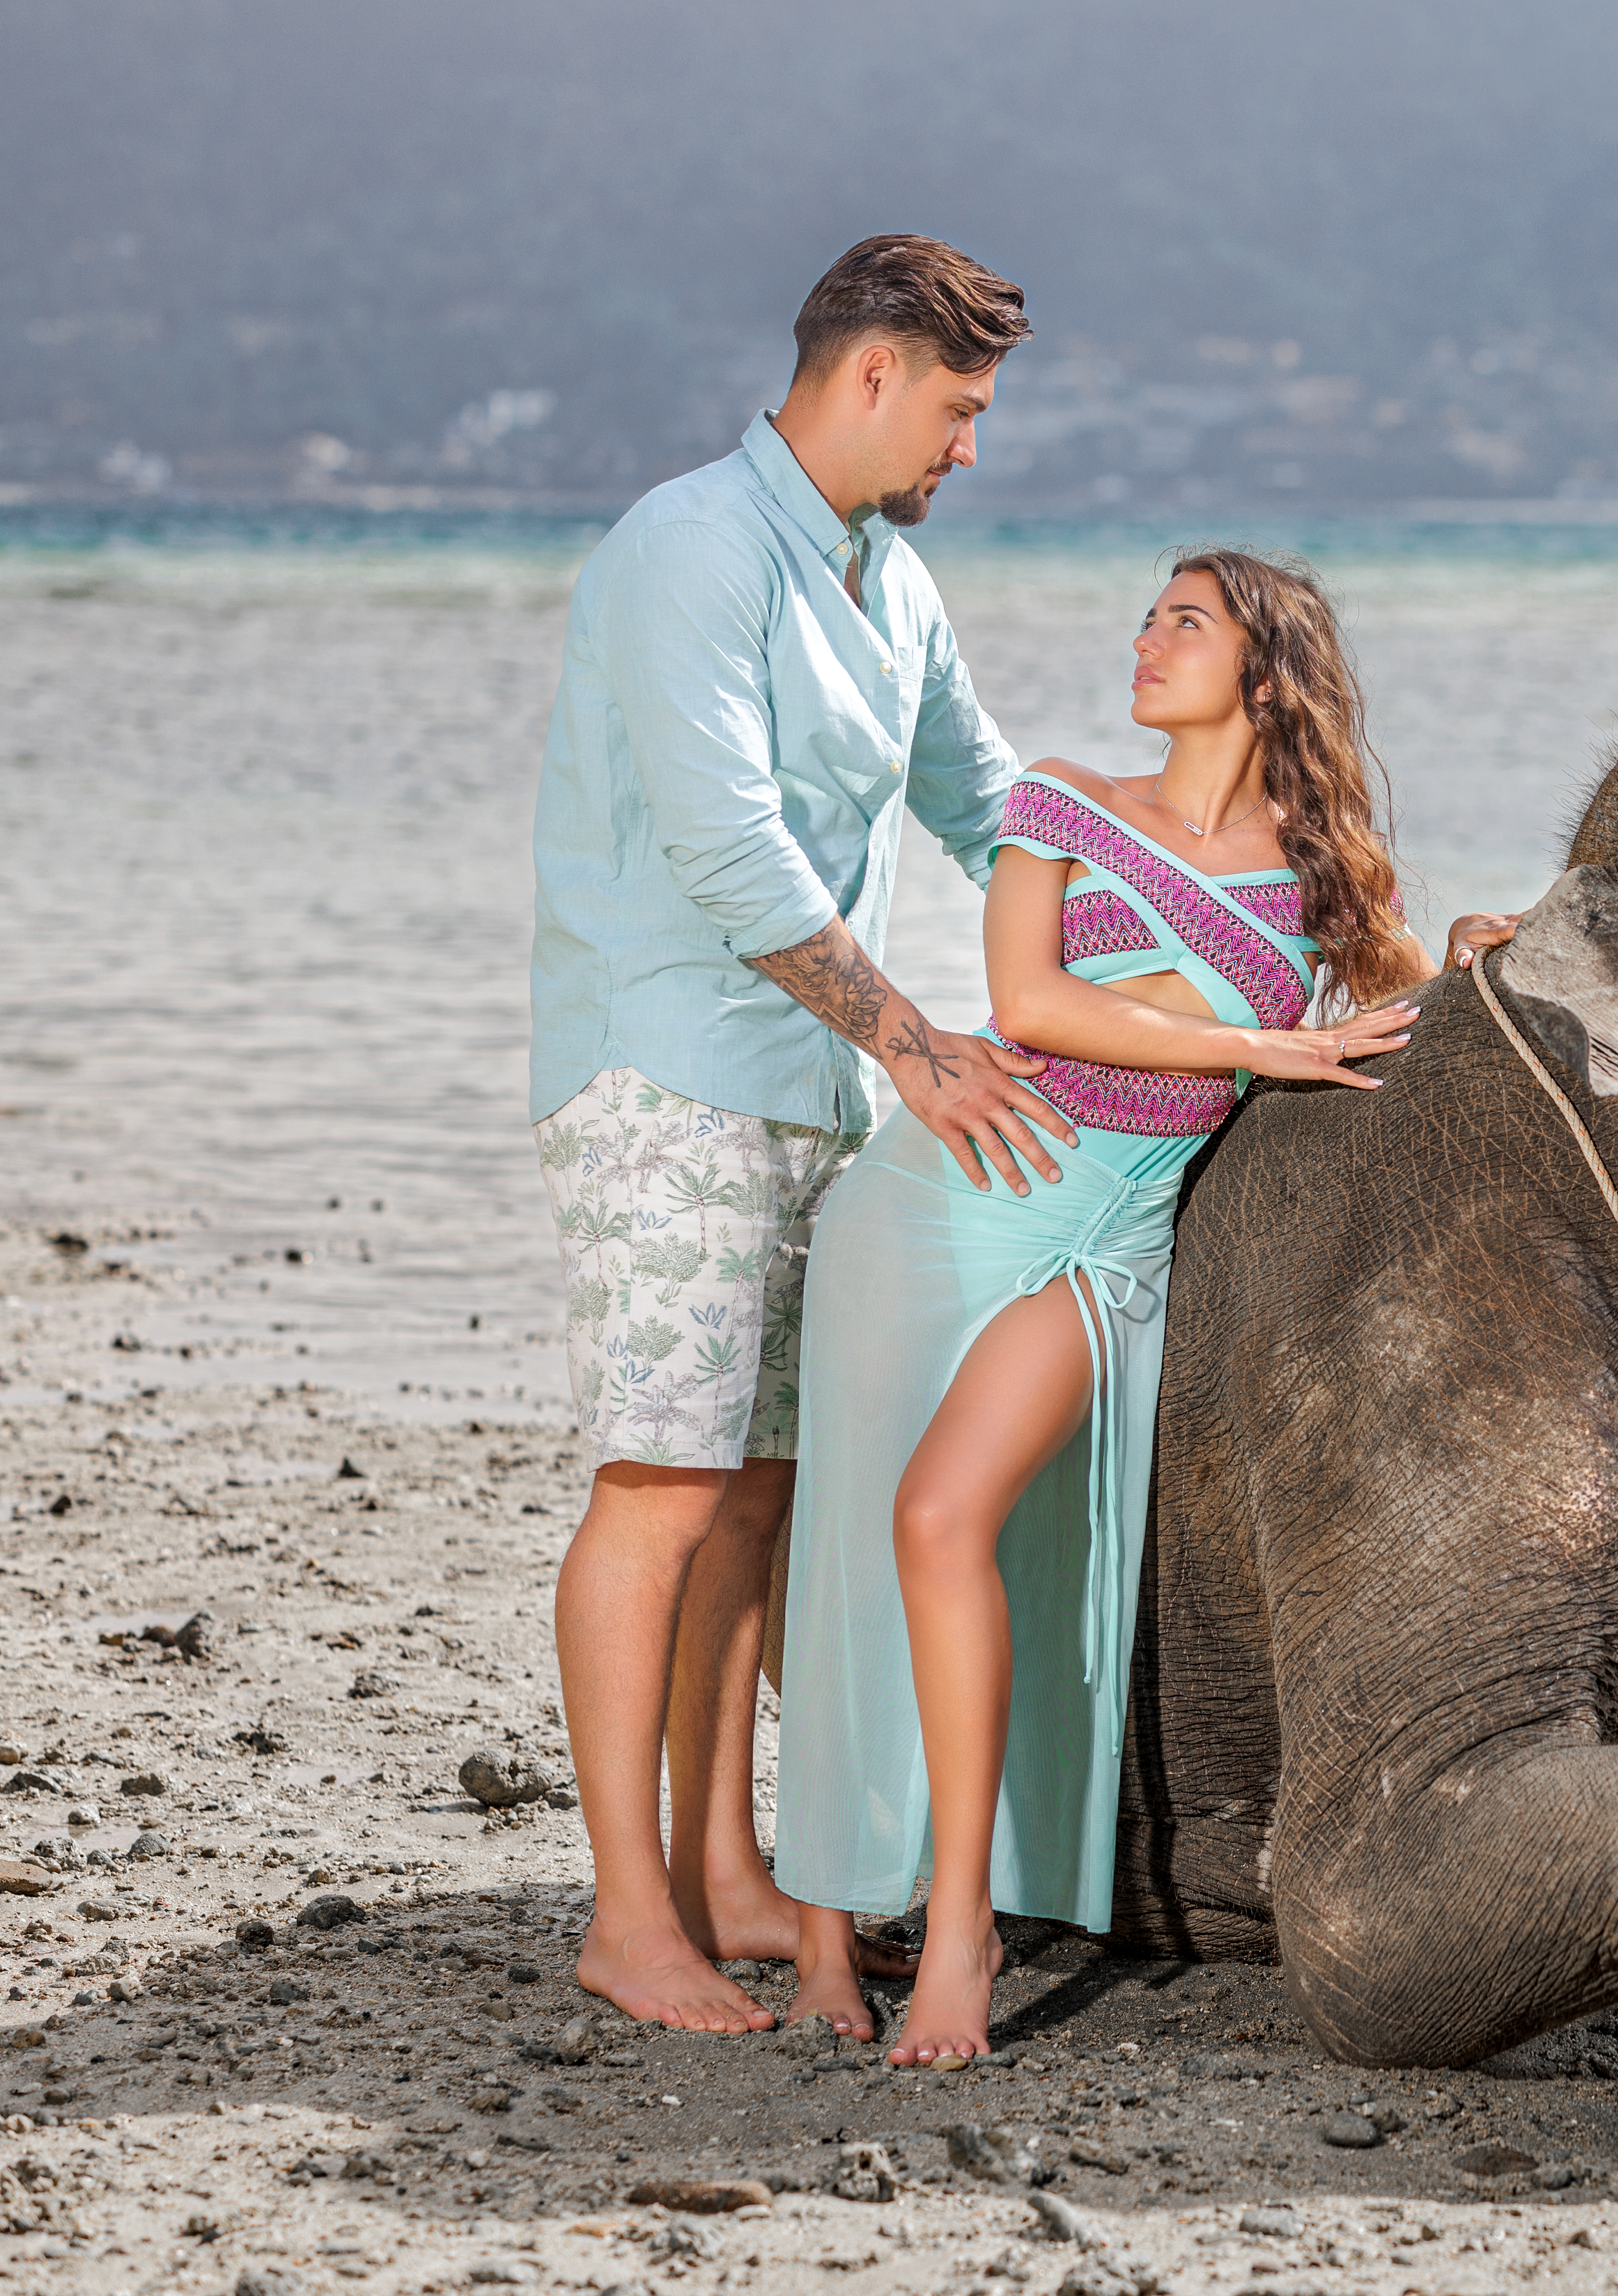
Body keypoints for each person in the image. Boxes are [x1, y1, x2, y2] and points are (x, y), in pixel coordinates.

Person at [771, 550, 1515, 2061]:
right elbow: (1031, 1006)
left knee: (941, 1520)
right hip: (948, 1193)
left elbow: (1379, 1021)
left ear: (1264, 666)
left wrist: (1470, 970)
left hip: (1117, 1227)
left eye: (1186, 620)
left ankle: (967, 1925)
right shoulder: (1062, 805)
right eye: (1148, 616)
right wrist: (1267, 1048)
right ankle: (822, 1934)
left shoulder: (1323, 877)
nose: (1145, 638)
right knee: (859, 1535)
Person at [529, 234, 1076, 2032]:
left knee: (762, 1498)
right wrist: (922, 1044)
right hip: (666, 1073)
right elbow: (731, 852)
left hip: (813, 1092)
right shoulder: (689, 546)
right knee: (664, 1486)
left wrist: (1215, 921)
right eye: (962, 408)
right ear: (871, 375)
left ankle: (727, 1872)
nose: (971, 449)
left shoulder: (888, 583)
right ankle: (627, 1914)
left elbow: (989, 801)